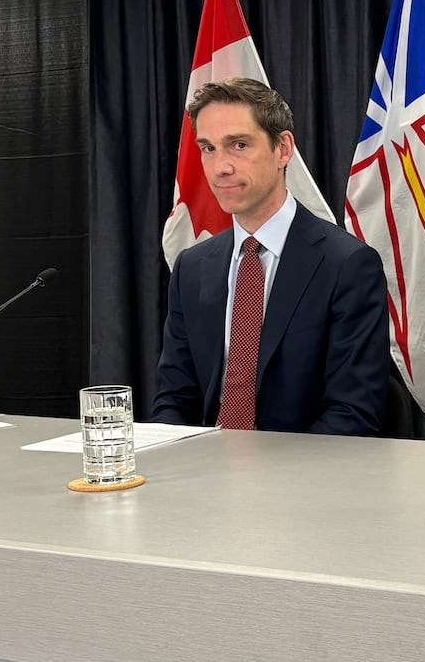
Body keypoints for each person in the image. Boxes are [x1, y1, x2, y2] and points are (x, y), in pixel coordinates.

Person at [152, 78, 391, 435]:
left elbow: (352, 414)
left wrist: (266, 483)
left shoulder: (348, 265)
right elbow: (174, 401)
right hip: (205, 475)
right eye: (208, 149)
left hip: (301, 479)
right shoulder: (191, 268)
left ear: (283, 149)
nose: (220, 168)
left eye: (239, 145)